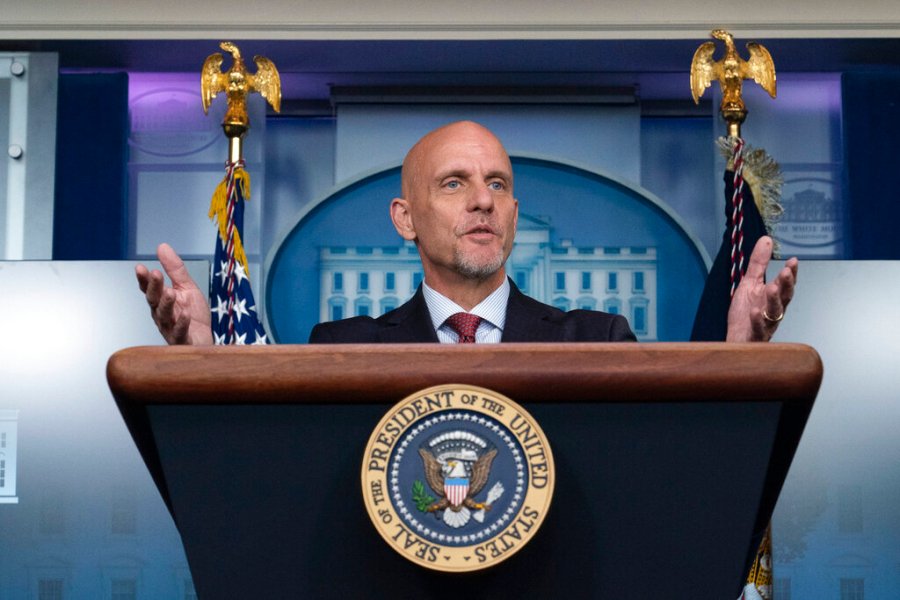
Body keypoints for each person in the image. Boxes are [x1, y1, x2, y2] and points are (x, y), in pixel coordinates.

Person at [136, 121, 797, 345]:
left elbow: (671, 481)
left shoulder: (596, 341)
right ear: (405, 219)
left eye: (499, 185)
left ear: (513, 215)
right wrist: (205, 367)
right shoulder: (342, 350)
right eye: (453, 184)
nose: (483, 200)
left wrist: (739, 360)